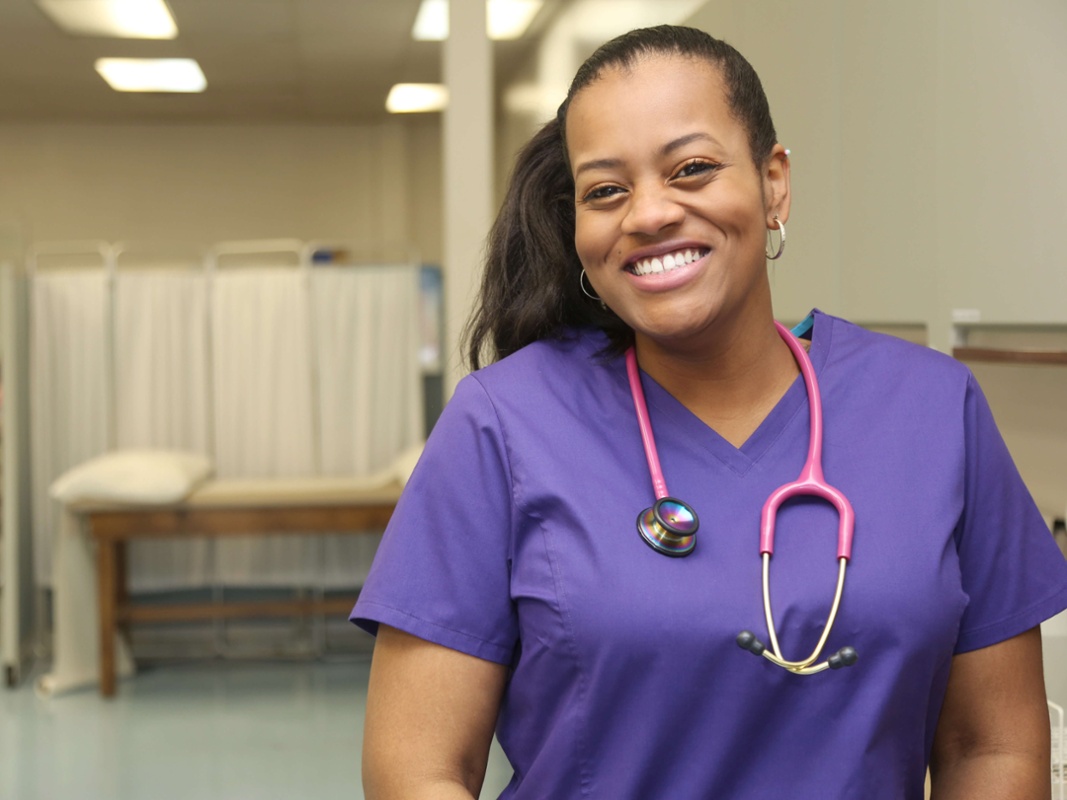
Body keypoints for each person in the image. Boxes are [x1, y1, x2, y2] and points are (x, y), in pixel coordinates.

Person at [352, 25, 1067, 799]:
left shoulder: (931, 408)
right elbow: (416, 770)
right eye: (605, 190)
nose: (648, 214)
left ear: (773, 184)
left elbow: (989, 748)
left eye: (690, 169)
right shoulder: (502, 425)